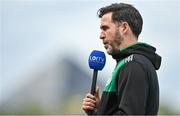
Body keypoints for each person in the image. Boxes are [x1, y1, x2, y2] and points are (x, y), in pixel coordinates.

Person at [82, 3, 161, 115]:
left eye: (105, 28)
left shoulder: (134, 64)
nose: (101, 35)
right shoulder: (129, 62)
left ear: (124, 27)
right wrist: (99, 111)